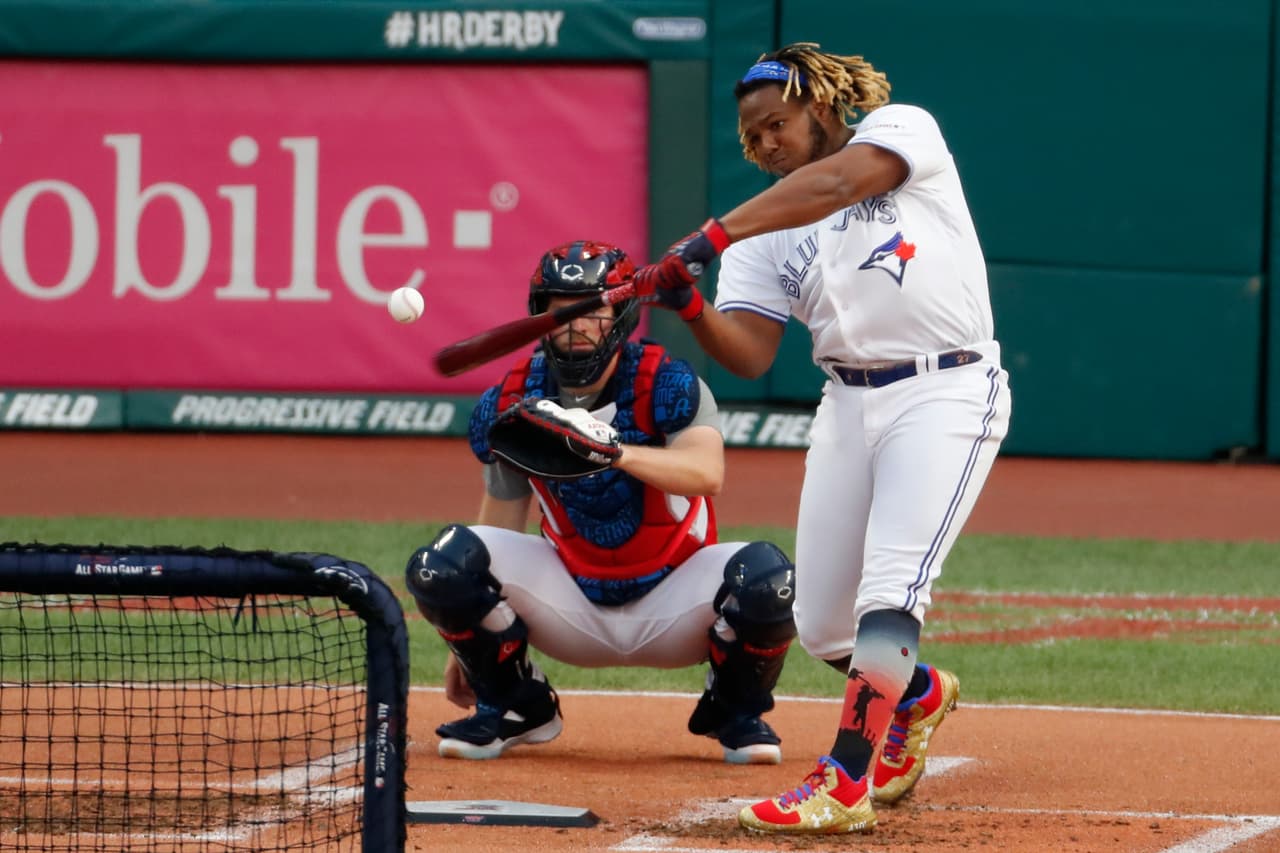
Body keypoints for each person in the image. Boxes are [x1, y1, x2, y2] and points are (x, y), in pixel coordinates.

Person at [632, 43, 1012, 834]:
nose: (768, 142)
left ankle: (842, 780)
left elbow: (837, 182)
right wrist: (691, 305)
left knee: (890, 591)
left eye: (780, 122)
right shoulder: (766, 235)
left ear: (823, 107)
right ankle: (920, 694)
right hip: (848, 402)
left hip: (945, 389)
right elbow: (752, 354)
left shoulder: (901, 132)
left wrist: (707, 236)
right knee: (825, 624)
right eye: (754, 134)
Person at [404, 240, 798, 765]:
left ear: (620, 314)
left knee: (772, 579)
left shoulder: (668, 382)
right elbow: (498, 520)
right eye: (560, 309)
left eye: (593, 308)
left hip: (675, 601)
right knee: (442, 564)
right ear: (539, 315)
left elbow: (707, 474)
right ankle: (516, 705)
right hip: (570, 603)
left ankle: (735, 709)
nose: (576, 323)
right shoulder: (513, 398)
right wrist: (469, 643)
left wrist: (613, 453)